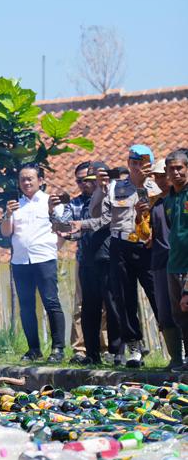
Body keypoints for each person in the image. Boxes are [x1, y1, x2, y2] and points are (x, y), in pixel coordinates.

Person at [75, 144, 159, 366]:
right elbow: (96, 214)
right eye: (133, 162)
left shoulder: (158, 186)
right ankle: (134, 347)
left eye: (142, 163)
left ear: (149, 164)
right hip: (120, 245)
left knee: (158, 296)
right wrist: (101, 189)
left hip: (148, 247)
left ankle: (178, 346)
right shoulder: (115, 187)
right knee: (124, 299)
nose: (137, 166)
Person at [1, 165, 66, 362]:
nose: (26, 183)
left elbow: (63, 229)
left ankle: (58, 349)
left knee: (51, 302)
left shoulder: (51, 202)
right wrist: (7, 215)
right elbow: (5, 232)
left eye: (30, 179)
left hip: (44, 258)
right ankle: (34, 349)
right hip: (20, 261)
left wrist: (54, 249)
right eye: (23, 180)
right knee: (26, 306)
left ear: (40, 180)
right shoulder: (15, 205)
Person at [60, 162, 120, 366]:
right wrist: (57, 220)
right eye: (82, 180)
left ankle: (116, 351)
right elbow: (69, 229)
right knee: (89, 308)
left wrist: (82, 225)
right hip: (87, 259)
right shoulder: (78, 203)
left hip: (109, 256)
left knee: (112, 306)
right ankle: (92, 353)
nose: (86, 183)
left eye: (90, 178)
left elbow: (107, 219)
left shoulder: (113, 194)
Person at [149, 158, 184, 371]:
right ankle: (175, 359)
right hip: (161, 262)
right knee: (165, 313)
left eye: (164, 175)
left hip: (181, 261)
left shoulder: (179, 199)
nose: (161, 180)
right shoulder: (157, 204)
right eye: (157, 176)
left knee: (184, 311)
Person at [163, 149, 188, 363]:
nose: (176, 172)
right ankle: (181, 360)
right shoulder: (169, 200)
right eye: (172, 169)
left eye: (180, 168)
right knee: (179, 316)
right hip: (173, 265)